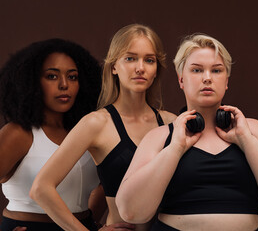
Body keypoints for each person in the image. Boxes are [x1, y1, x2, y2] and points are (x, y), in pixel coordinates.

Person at [115, 34, 258, 231]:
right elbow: (130, 211)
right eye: (196, 70)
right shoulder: (160, 137)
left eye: (216, 70)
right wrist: (175, 149)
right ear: (181, 80)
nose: (207, 78)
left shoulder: (253, 130)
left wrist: (246, 140)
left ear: (227, 80)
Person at [30, 24, 176, 231]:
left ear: (156, 70)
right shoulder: (96, 123)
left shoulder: (172, 123)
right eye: (130, 58)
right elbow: (40, 189)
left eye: (149, 60)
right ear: (114, 66)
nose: (140, 67)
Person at [0, 38, 103, 230]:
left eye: (72, 77)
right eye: (52, 76)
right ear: (31, 82)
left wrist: (89, 222)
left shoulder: (87, 130)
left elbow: (105, 184)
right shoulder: (19, 133)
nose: (64, 85)